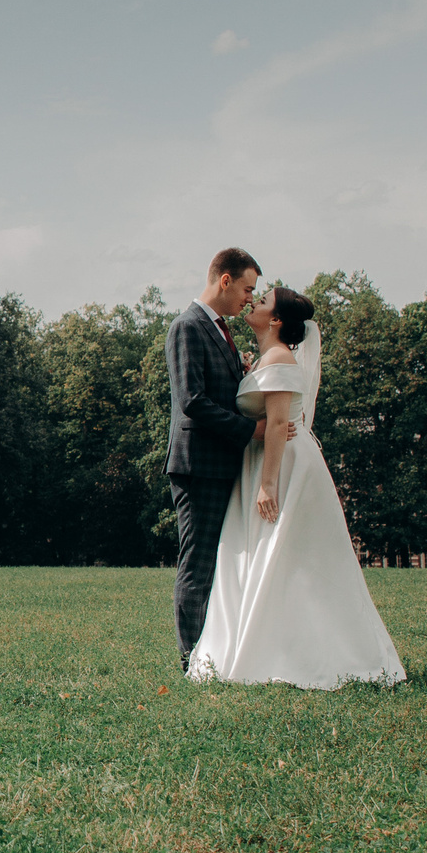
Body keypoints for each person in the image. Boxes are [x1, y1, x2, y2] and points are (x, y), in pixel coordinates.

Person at [189, 285, 406, 689]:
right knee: (272, 559)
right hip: (262, 461)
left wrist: (268, 484)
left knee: (286, 558)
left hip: (282, 466)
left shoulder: (280, 358)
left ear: (275, 320)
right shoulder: (266, 358)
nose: (254, 301)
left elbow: (275, 424)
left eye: (264, 299)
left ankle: (298, 653)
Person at [164, 248, 281, 670]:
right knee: (197, 562)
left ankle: (215, 651)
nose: (249, 299)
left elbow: (218, 389)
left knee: (218, 562)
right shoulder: (187, 327)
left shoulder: (220, 331)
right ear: (224, 280)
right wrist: (253, 430)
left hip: (222, 463)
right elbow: (191, 401)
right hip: (199, 466)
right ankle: (192, 659)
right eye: (247, 289)